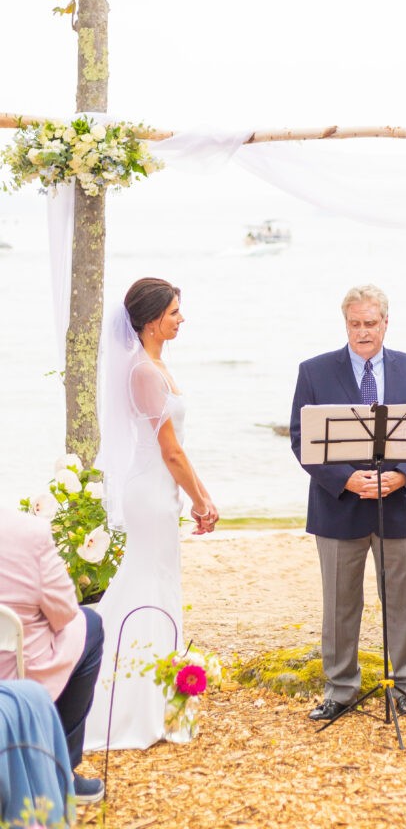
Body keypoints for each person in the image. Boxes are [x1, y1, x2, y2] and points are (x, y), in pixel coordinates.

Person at [84, 278, 219, 750]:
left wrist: (201, 497)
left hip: (162, 492)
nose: (182, 319)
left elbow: (177, 452)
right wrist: (200, 501)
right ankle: (126, 705)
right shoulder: (144, 372)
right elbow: (170, 452)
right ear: (150, 320)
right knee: (146, 587)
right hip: (151, 493)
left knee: (161, 586)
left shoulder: (156, 365)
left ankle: (161, 701)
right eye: (175, 312)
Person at [290, 284, 406, 721]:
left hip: (399, 503)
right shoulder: (314, 371)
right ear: (345, 324)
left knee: (405, 602)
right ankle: (340, 688)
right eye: (355, 324)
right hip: (337, 506)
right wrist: (347, 479)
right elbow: (302, 441)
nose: (363, 332)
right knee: (339, 604)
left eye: (371, 323)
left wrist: (402, 476)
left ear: (386, 322)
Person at [0, 508, 105, 804]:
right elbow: (65, 611)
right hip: (18, 676)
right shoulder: (27, 533)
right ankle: (60, 773)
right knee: (91, 625)